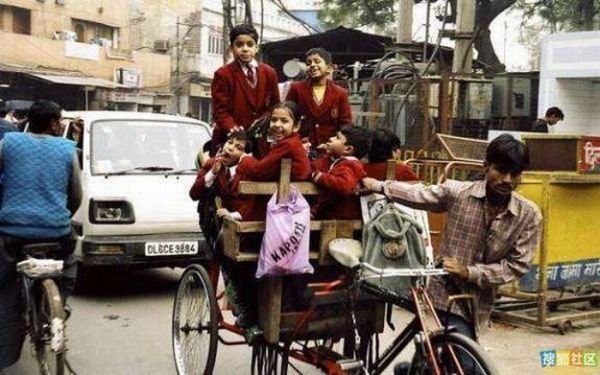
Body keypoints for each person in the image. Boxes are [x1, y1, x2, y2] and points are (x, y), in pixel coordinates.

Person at [362, 134, 542, 343]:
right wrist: (379, 185)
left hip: (479, 303)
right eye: (501, 171)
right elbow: (420, 195)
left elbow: (517, 266)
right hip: (443, 295)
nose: (507, 180)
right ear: (486, 167)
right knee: (460, 360)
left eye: (515, 173)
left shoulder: (529, 215)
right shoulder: (458, 192)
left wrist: (469, 272)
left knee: (439, 358)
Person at [0, 99, 82, 370]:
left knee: (5, 282)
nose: (60, 125)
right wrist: (59, 216)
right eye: (58, 121)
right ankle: (60, 305)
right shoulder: (68, 149)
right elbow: (75, 195)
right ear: (53, 124)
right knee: (69, 264)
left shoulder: (8, 143)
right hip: (56, 231)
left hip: (12, 231)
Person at [189, 130, 259, 328]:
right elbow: (194, 193)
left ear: (245, 155)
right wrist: (212, 173)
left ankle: (244, 305)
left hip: (241, 223)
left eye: (238, 147)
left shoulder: (249, 170)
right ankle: (240, 305)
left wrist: (233, 215)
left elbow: (251, 204)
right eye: (230, 143)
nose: (230, 148)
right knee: (225, 257)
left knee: (242, 264)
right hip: (214, 223)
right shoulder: (212, 164)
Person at [210, 23, 280, 155]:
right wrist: (236, 132)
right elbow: (220, 112)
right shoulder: (223, 74)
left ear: (256, 47)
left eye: (250, 44)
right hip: (229, 142)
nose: (245, 49)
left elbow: (275, 106)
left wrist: (263, 123)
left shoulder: (269, 73)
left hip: (261, 143)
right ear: (232, 48)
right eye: (239, 44)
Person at [285, 48, 352, 155]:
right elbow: (287, 116)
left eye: (317, 61)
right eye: (308, 63)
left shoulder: (340, 93)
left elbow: (345, 124)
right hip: (301, 148)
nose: (312, 65)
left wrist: (334, 143)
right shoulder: (296, 89)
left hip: (329, 150)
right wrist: (296, 141)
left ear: (329, 68)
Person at [236, 101, 311, 184]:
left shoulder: (288, 144)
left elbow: (259, 170)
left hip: (292, 192)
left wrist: (244, 159)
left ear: (296, 126)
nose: (277, 124)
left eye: (284, 121)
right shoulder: (291, 142)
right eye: (274, 120)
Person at [311, 126, 370, 220]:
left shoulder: (349, 165)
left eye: (337, 138)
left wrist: (319, 177)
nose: (331, 138)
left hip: (340, 220)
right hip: (332, 216)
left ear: (348, 149)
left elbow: (344, 185)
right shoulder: (341, 162)